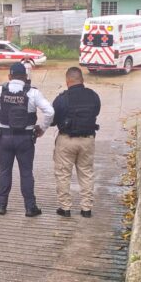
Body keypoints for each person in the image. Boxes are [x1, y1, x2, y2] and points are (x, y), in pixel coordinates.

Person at [0, 62, 54, 217]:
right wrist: (42, 129)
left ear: (9, 76)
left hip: (4, 138)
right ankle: (30, 207)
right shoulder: (33, 93)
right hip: (25, 139)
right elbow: (50, 111)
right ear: (25, 77)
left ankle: (1, 206)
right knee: (26, 172)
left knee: (4, 171)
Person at [51, 67, 101, 218]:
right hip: (88, 140)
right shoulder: (93, 96)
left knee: (63, 174)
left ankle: (65, 208)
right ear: (82, 80)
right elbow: (96, 112)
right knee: (86, 173)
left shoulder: (62, 98)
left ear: (67, 81)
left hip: (66, 140)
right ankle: (86, 209)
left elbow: (53, 120)